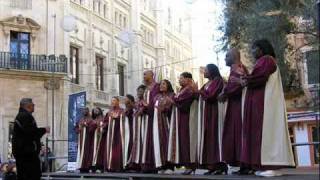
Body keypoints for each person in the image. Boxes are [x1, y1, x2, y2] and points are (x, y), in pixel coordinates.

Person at [237, 39, 295, 177]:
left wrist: (245, 80)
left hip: (264, 104)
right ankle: (264, 165)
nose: (252, 52)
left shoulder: (267, 60)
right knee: (263, 133)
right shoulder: (265, 61)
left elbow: (260, 77)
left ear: (261, 49)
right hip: (262, 102)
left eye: (254, 48)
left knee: (266, 133)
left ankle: (272, 165)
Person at [218, 48, 248, 174]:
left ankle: (245, 164)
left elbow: (236, 85)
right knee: (235, 134)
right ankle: (242, 165)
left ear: (234, 56)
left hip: (238, 106)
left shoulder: (237, 68)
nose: (225, 59)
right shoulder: (236, 69)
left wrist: (224, 93)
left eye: (226, 56)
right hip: (235, 105)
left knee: (239, 133)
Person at [167, 72, 198, 175]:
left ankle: (190, 165)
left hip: (187, 119)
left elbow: (183, 103)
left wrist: (174, 100)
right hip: (181, 119)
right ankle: (187, 165)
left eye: (181, 78)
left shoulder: (189, 89)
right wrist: (175, 99)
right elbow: (178, 99)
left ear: (188, 79)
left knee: (187, 141)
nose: (179, 80)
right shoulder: (182, 89)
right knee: (182, 141)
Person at [12, 98, 50, 180]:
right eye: (33, 105)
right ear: (28, 106)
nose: (34, 106)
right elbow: (31, 133)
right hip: (27, 155)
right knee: (31, 175)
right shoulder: (24, 116)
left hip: (25, 154)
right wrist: (44, 130)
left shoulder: (22, 115)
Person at [198, 64, 225, 175]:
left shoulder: (218, 81)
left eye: (206, 70)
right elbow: (200, 93)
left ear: (212, 71)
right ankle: (211, 165)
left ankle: (220, 165)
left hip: (215, 111)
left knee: (215, 137)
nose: (204, 72)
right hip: (207, 112)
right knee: (209, 138)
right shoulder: (206, 83)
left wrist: (200, 92)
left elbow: (211, 96)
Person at [153, 80, 175, 173]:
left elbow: (172, 106)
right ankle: (161, 165)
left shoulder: (172, 95)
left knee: (168, 142)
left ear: (168, 85)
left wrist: (165, 108)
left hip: (167, 121)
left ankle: (170, 166)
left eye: (164, 84)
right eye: (160, 84)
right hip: (157, 124)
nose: (161, 86)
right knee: (159, 142)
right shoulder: (157, 97)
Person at [141, 70, 160, 173]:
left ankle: (154, 165)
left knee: (154, 139)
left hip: (154, 117)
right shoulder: (146, 89)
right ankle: (147, 164)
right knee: (147, 139)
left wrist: (148, 106)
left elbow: (156, 100)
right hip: (147, 117)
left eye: (145, 74)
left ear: (151, 75)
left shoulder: (156, 86)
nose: (143, 76)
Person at [105, 97, 129, 172]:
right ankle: (110, 166)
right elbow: (105, 121)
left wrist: (118, 117)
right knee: (110, 150)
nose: (113, 102)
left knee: (118, 150)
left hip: (119, 133)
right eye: (112, 101)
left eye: (114, 100)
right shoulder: (109, 112)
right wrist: (103, 125)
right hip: (110, 134)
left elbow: (125, 120)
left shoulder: (122, 111)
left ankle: (119, 167)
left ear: (118, 102)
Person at [127, 85, 147, 171]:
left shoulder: (145, 101)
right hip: (135, 126)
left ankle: (142, 163)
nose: (139, 93)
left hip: (143, 125)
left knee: (142, 142)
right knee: (136, 144)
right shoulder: (136, 102)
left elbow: (143, 110)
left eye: (141, 91)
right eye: (138, 91)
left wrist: (140, 109)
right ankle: (134, 164)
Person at [75, 107, 96, 173]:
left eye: (86, 110)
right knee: (81, 152)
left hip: (88, 139)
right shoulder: (80, 119)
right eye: (83, 110)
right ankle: (81, 166)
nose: (84, 111)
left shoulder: (91, 119)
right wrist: (79, 129)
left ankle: (87, 167)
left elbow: (93, 127)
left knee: (87, 153)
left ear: (88, 111)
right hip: (81, 139)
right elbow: (76, 128)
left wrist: (87, 126)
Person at [92, 107, 106, 172]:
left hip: (102, 138)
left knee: (101, 151)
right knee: (94, 152)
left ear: (100, 110)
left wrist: (103, 129)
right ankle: (94, 166)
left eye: (97, 110)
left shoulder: (103, 119)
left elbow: (106, 126)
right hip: (94, 138)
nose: (95, 111)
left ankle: (101, 166)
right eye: (94, 111)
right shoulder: (93, 119)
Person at [124, 94, 136, 164]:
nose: (125, 100)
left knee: (132, 143)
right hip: (126, 129)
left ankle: (132, 162)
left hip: (132, 128)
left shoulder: (132, 108)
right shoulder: (126, 109)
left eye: (126, 99)